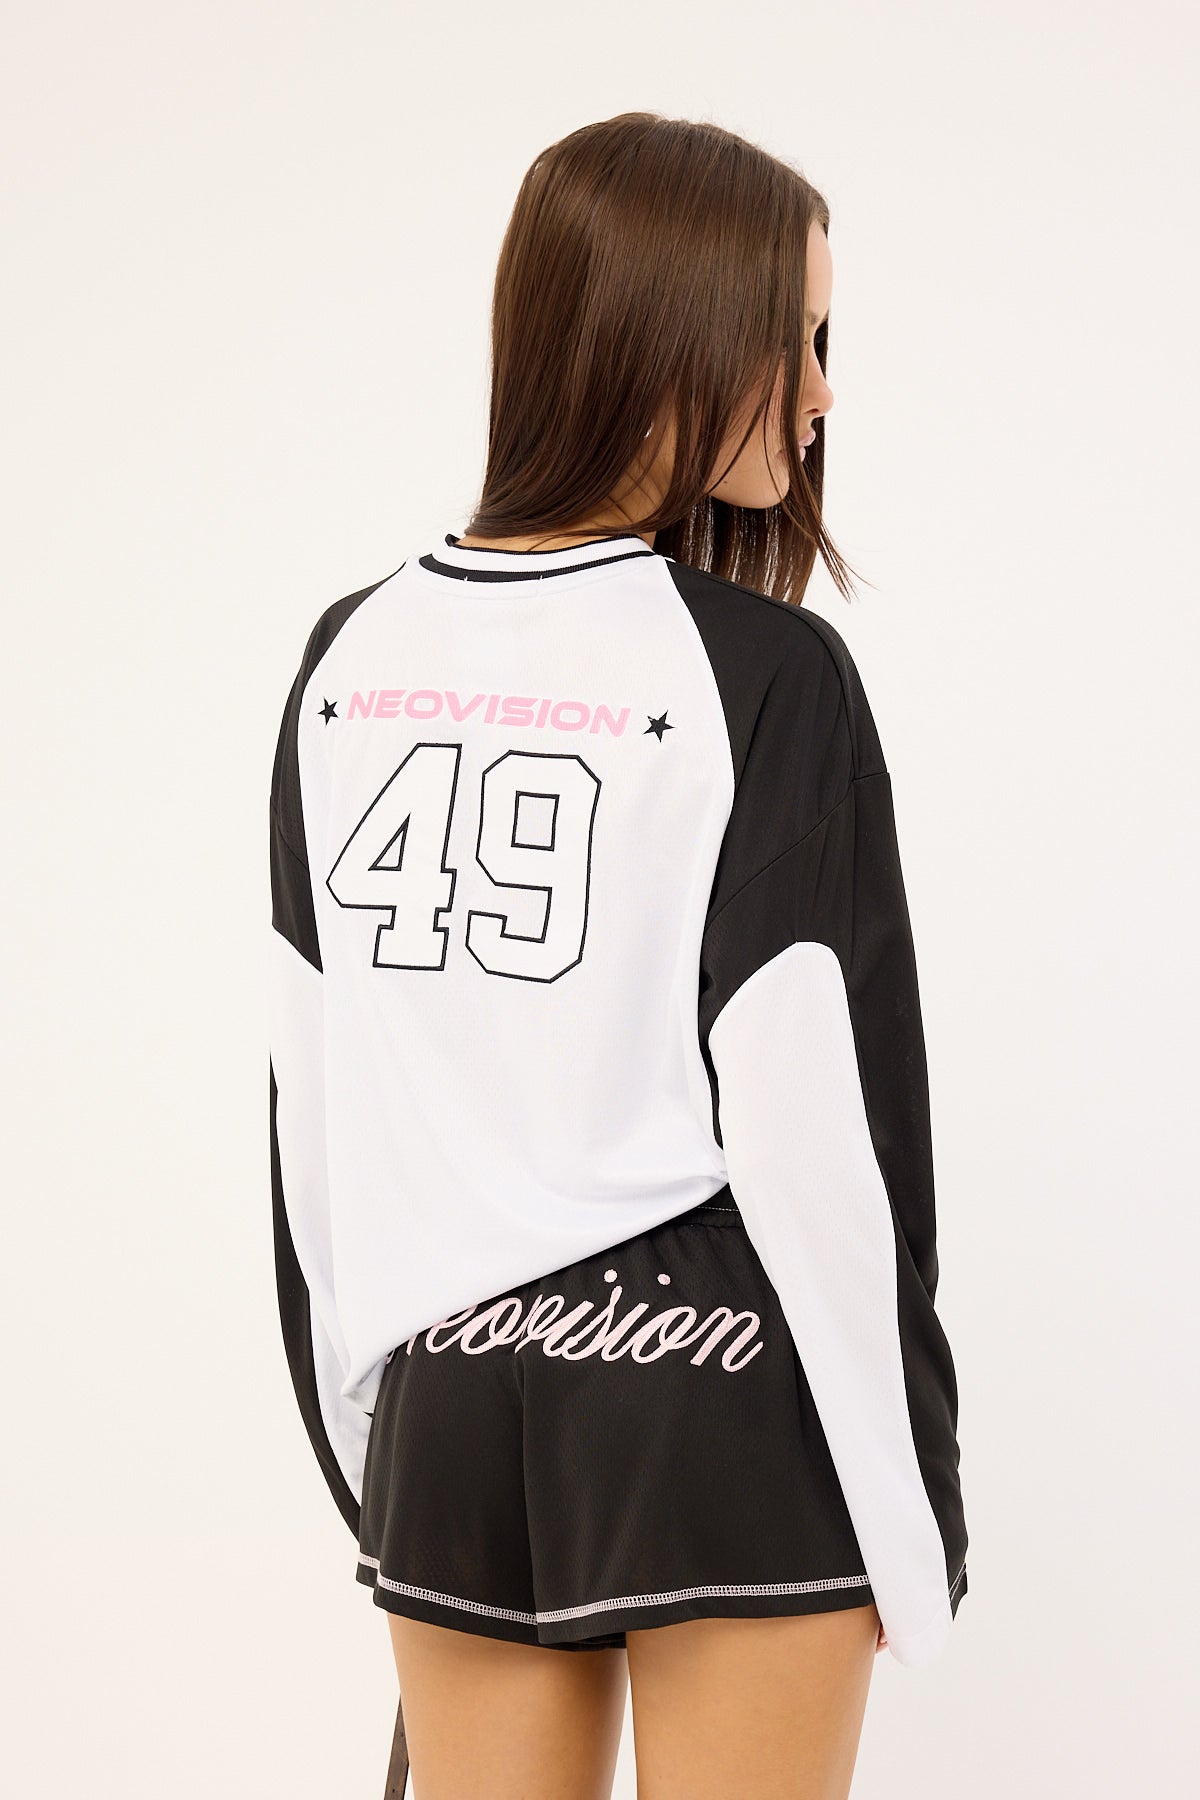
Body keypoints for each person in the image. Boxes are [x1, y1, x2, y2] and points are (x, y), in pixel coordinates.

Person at [268, 111, 968, 1800]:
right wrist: (911, 1502)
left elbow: (315, 1108)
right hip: (721, 1385)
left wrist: (378, 1445)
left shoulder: (343, 658)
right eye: (796, 335)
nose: (823, 390)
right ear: (677, 327)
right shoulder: (766, 675)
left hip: (451, 1396)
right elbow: (821, 1124)